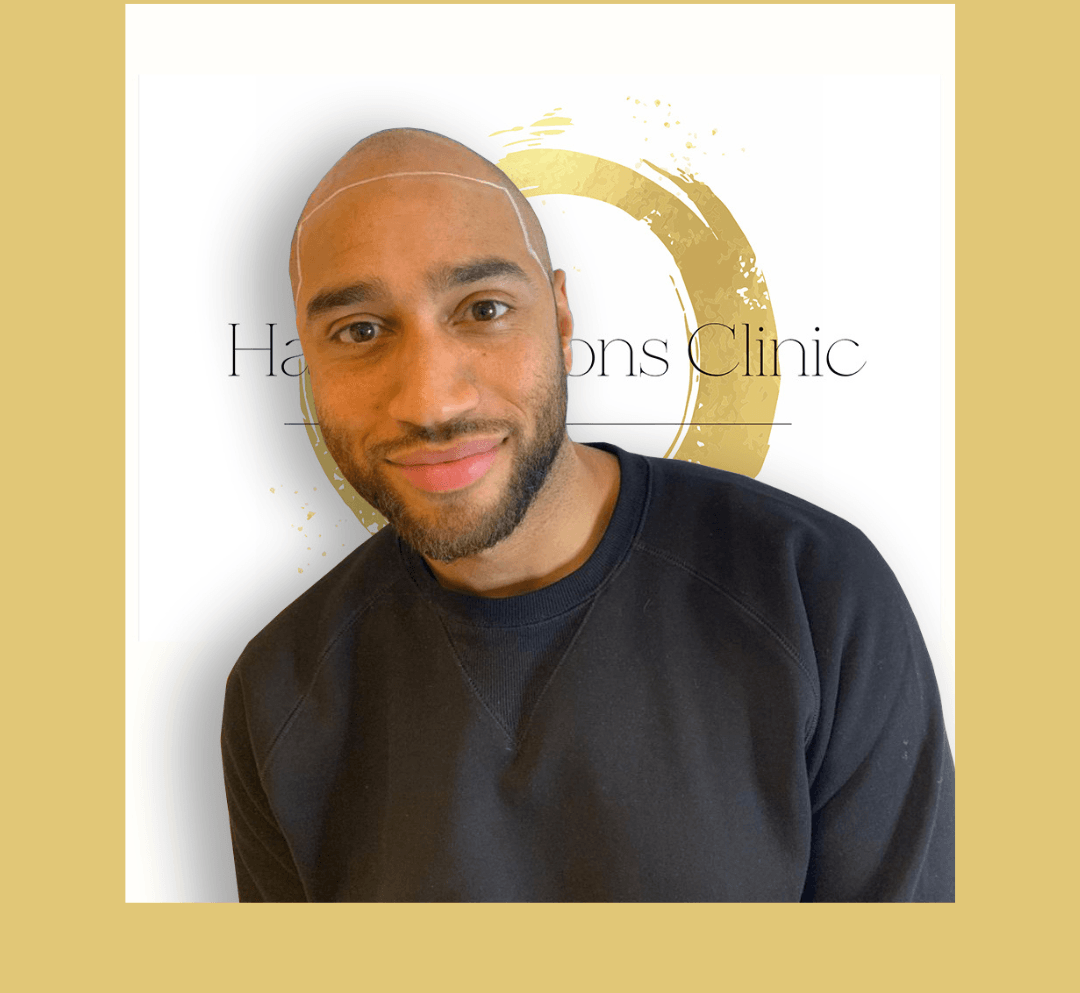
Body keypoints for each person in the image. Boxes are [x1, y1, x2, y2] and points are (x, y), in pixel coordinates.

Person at [221, 128, 955, 902]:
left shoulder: (813, 594)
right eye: (360, 331)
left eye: (483, 309)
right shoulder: (278, 693)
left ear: (562, 321)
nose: (431, 401)